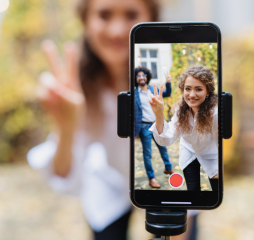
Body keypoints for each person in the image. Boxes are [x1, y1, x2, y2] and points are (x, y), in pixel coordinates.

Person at [27, 0, 158, 239]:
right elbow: (64, 173)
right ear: (85, 20)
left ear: (152, 17)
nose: (117, 30)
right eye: (104, 15)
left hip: (164, 184)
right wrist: (66, 127)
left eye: (131, 14)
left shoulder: (172, 82)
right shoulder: (78, 84)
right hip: (110, 183)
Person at [148, 64, 219, 192]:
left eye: (198, 89)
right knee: (193, 191)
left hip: (212, 154)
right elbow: (166, 139)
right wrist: (159, 113)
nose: (192, 94)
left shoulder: (215, 113)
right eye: (188, 89)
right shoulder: (181, 110)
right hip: (189, 150)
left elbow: (222, 144)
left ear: (208, 91)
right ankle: (194, 211)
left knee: (217, 191)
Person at [134, 66, 174, 188]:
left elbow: (167, 93)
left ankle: (168, 168)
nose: (141, 77)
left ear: (147, 77)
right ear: (135, 78)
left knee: (163, 147)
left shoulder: (152, 89)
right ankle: (151, 178)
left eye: (143, 75)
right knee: (147, 154)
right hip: (144, 127)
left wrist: (168, 82)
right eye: (138, 75)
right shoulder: (134, 94)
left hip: (157, 124)